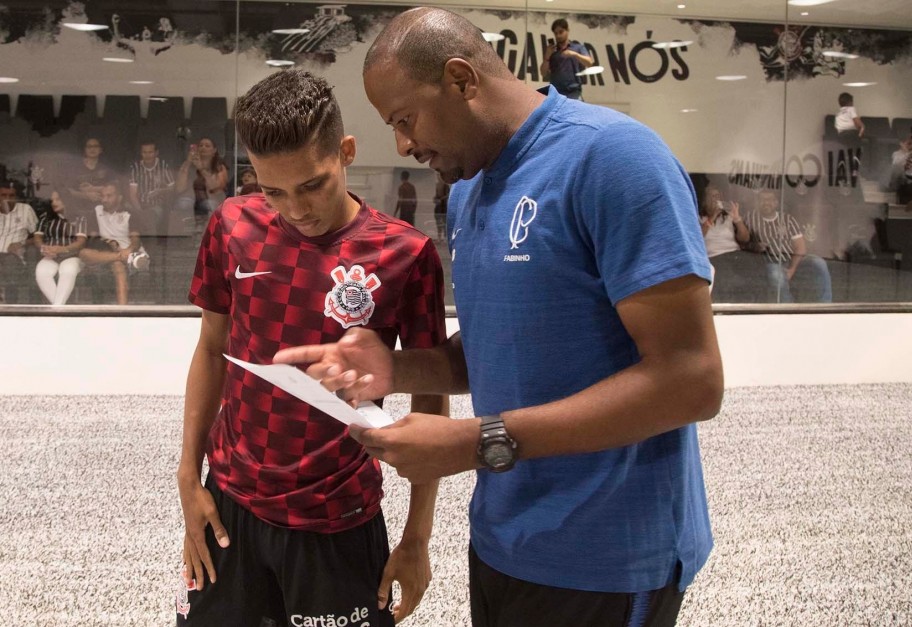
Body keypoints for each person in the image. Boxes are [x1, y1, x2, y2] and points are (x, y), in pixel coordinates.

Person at [274, 8, 724, 627]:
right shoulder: (467, 189)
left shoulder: (616, 159)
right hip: (503, 541)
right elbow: (499, 349)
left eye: (405, 120)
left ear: (461, 79)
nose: (403, 144)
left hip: (608, 558)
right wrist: (394, 367)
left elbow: (691, 379)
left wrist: (475, 440)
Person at [176, 69, 447, 627]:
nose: (294, 209)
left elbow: (430, 401)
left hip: (338, 519)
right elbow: (210, 350)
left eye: (312, 185)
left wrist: (417, 537)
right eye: (273, 190)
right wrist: (188, 475)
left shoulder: (405, 255)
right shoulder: (234, 225)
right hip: (229, 503)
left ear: (345, 152)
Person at [745, 188, 832, 303]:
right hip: (771, 263)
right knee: (777, 276)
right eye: (762, 199)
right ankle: (789, 307)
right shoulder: (750, 218)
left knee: (819, 262)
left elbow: (800, 247)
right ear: (757, 202)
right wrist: (755, 246)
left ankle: (825, 304)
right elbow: (743, 243)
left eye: (770, 199)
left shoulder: (787, 219)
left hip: (792, 259)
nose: (766, 202)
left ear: (776, 203)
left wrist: (792, 269)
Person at [78, 181, 148, 305]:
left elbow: (136, 240)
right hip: (108, 253)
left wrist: (129, 250)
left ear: (119, 198)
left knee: (118, 266)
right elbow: (92, 239)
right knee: (84, 253)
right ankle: (122, 258)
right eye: (103, 196)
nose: (104, 199)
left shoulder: (129, 213)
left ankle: (122, 312)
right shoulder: (96, 211)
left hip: (129, 252)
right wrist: (110, 243)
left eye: (109, 196)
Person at [698, 184, 764, 303]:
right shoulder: (700, 218)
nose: (716, 199)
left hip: (734, 254)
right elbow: (698, 237)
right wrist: (712, 217)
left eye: (718, 196)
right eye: (712, 196)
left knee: (755, 267)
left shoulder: (728, 217)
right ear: (705, 200)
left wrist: (737, 219)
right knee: (727, 276)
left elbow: (745, 238)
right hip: (714, 256)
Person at [33, 190, 88, 305]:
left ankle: (57, 310)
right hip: (50, 256)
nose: (54, 203)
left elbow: (81, 242)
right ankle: (60, 309)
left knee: (67, 271)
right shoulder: (46, 218)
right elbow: (37, 238)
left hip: (72, 256)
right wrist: (44, 248)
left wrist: (62, 249)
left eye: (58, 199)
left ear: (66, 200)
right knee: (41, 272)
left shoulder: (79, 218)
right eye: (52, 200)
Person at [174, 136, 229, 230]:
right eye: (201, 145)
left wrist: (202, 169)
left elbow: (216, 189)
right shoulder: (189, 165)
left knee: (208, 205)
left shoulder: (219, 167)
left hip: (211, 199)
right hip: (190, 199)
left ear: (214, 150)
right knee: (182, 204)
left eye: (207, 146)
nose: (203, 147)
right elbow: (179, 188)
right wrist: (188, 162)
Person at [0, 184, 38, 304]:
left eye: (11, 195)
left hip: (13, 256)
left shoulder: (25, 210)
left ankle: (12, 306)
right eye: (3, 195)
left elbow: (39, 236)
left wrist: (22, 243)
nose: (7, 198)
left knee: (9, 261)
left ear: (16, 197)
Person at [129, 140, 176, 235]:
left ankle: (151, 245)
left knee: (150, 216)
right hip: (138, 206)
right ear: (141, 153)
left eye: (150, 152)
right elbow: (132, 194)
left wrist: (160, 191)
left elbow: (173, 188)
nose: (147, 155)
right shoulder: (135, 167)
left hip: (157, 205)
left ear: (156, 153)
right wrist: (139, 211)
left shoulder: (163, 165)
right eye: (144, 152)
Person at [540, 18, 594, 100]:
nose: (558, 36)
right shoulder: (552, 51)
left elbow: (590, 63)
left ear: (567, 30)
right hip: (556, 93)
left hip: (574, 91)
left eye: (561, 32)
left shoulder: (577, 48)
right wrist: (547, 57)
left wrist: (575, 54)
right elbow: (543, 73)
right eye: (556, 33)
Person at [432, 172, 449, 242]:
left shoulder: (445, 185)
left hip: (443, 206)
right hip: (438, 206)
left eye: (439, 175)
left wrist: (440, 199)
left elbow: (448, 195)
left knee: (444, 222)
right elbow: (436, 195)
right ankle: (439, 236)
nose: (438, 176)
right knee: (438, 222)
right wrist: (435, 199)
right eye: (437, 175)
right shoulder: (437, 185)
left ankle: (445, 237)